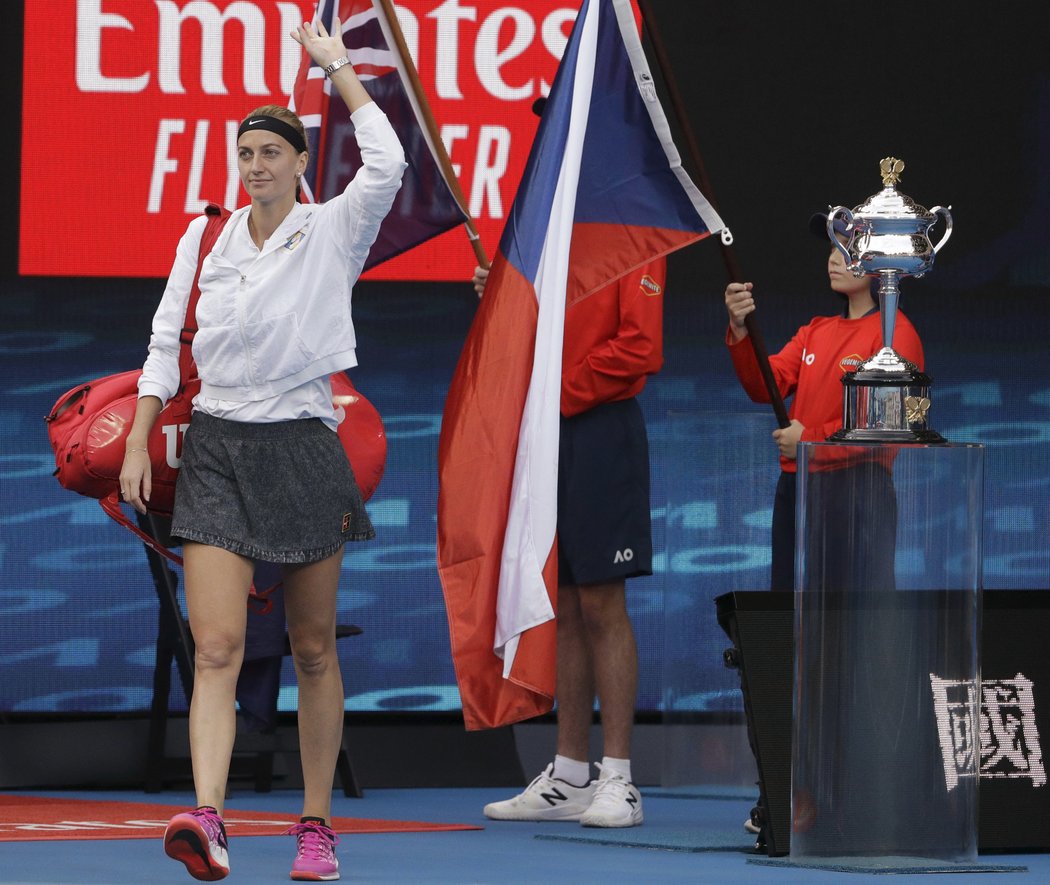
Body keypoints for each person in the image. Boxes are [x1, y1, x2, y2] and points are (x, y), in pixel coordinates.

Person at [118, 17, 405, 882]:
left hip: (303, 451)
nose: (255, 166)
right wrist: (139, 438)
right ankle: (208, 816)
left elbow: (388, 163)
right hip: (215, 450)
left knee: (314, 647)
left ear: (299, 162)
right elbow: (166, 344)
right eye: (245, 153)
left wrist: (339, 68)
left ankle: (315, 826)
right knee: (216, 648)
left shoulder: (333, 232)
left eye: (271, 153)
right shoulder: (201, 238)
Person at [473, 257, 665, 829]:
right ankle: (569, 774)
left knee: (603, 603)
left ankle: (620, 778)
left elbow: (640, 347)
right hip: (545, 433)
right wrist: (501, 300)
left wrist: (552, 390)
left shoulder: (635, 239)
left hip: (601, 427)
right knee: (564, 603)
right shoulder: (549, 235)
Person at [724, 214, 925, 593]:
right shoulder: (815, 331)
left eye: (846, 249)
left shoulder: (896, 333)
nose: (833, 258)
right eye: (832, 248)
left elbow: (883, 426)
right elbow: (765, 386)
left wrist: (810, 442)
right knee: (789, 606)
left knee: (851, 613)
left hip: (858, 492)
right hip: (797, 486)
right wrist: (739, 328)